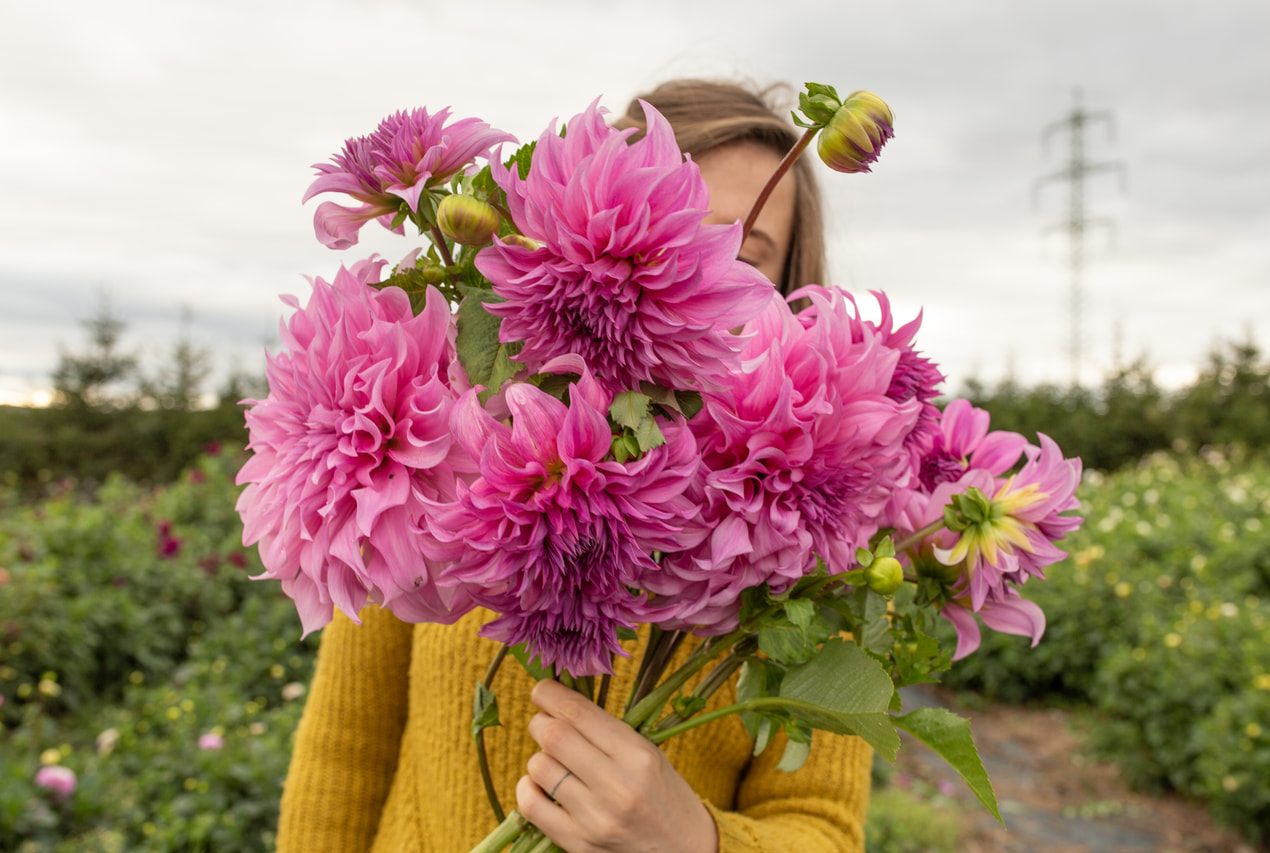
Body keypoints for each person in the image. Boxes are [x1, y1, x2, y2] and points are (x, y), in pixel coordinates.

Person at [274, 79, 873, 853]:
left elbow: (825, 827)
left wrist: (696, 840)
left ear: (787, 288)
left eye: (742, 248)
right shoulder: (448, 438)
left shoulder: (814, 538)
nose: (685, 267)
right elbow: (343, 756)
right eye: (670, 226)